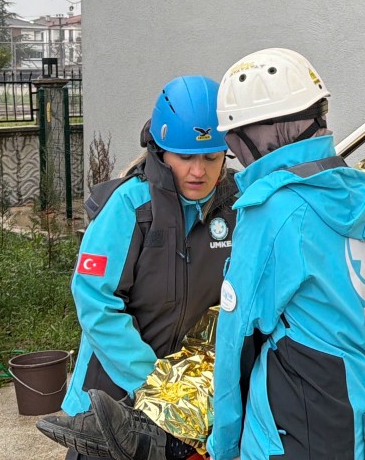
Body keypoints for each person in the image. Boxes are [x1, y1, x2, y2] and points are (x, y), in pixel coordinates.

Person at [206, 48, 365, 460]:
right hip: (364, 402)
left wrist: (223, 446)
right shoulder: (360, 192)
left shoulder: (271, 211)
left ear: (256, 138)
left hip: (291, 425)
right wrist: (352, 321)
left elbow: (235, 342)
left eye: (233, 144)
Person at [57, 75, 237, 460]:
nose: (198, 171)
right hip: (113, 401)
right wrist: (153, 385)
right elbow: (95, 301)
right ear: (161, 151)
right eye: (185, 157)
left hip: (184, 404)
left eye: (211, 157)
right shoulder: (131, 205)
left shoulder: (236, 207)